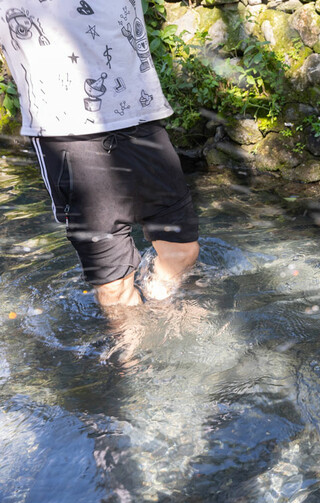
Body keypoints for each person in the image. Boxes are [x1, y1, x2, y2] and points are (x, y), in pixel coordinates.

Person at [0, 0, 199, 310]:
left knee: (182, 250)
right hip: (67, 135)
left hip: (141, 117)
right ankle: (135, 354)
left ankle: (160, 310)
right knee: (116, 285)